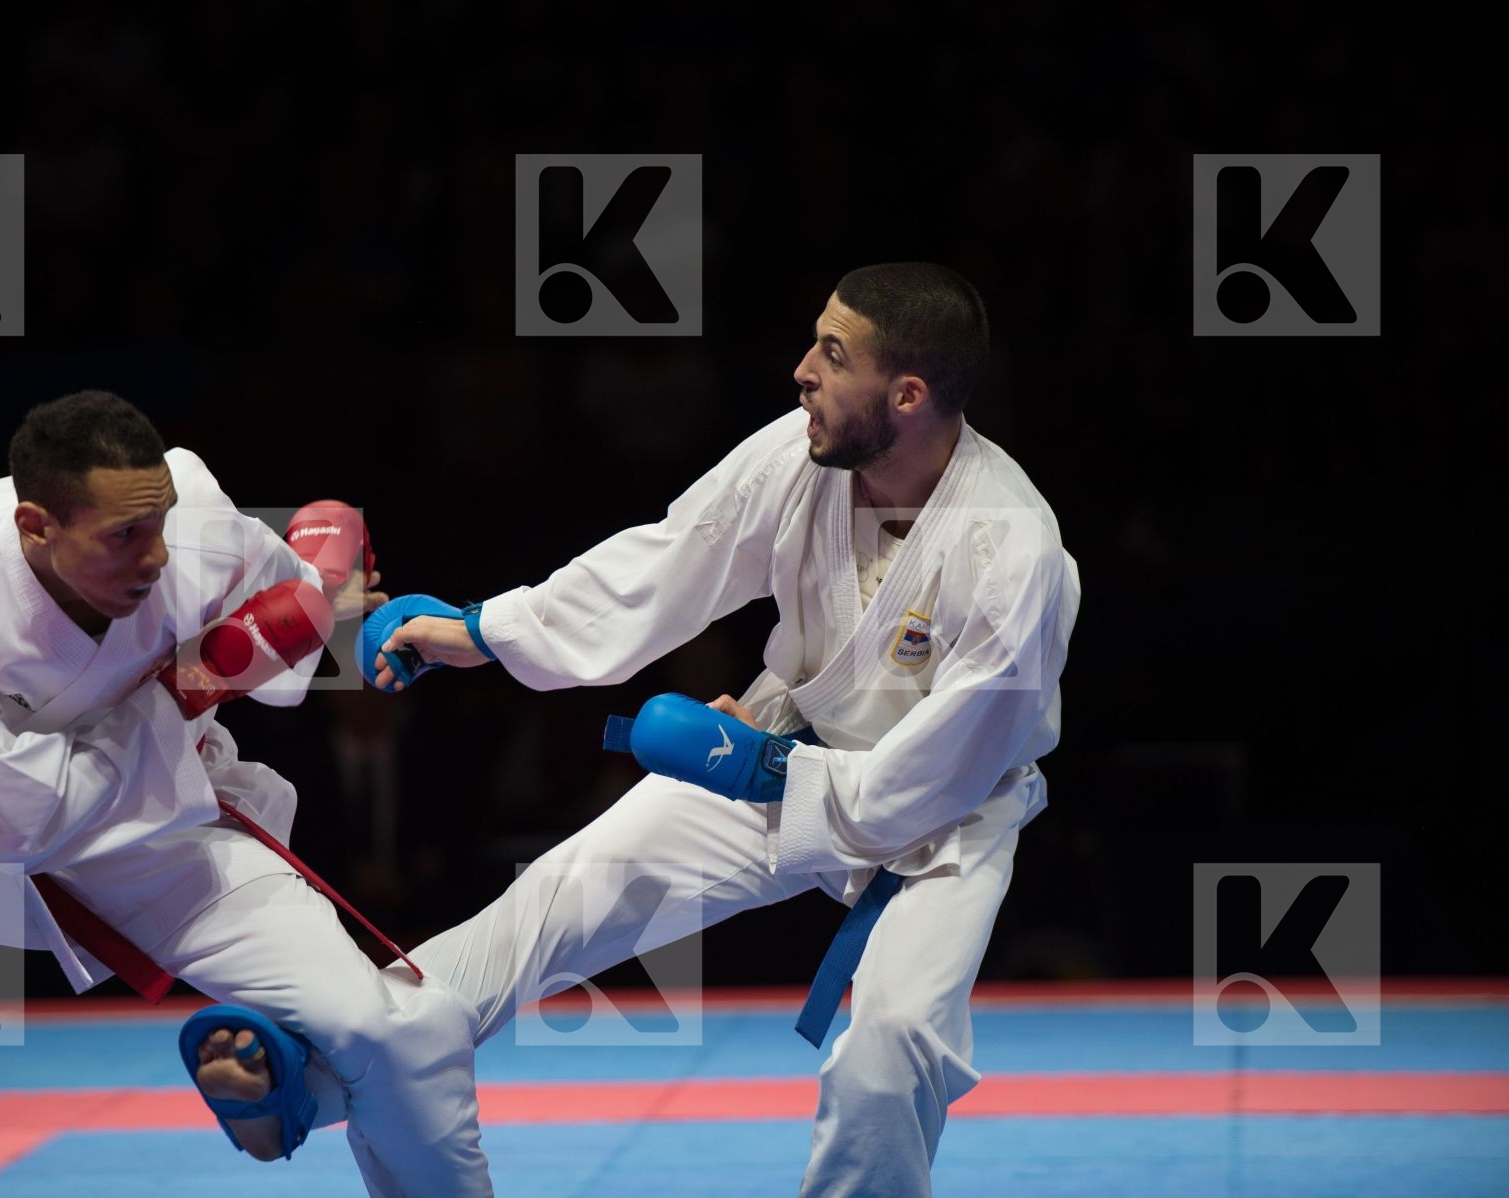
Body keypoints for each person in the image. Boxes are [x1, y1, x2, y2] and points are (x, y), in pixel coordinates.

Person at [366, 262, 1082, 1196]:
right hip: (785, 746)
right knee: (563, 894)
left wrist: (773, 771)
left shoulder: (1015, 550)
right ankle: (331, 1045)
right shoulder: (799, 455)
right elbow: (671, 560)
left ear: (908, 394)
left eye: (833, 353)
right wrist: (484, 632)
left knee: (893, 1045)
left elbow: (947, 766)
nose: (802, 372)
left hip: (945, 818)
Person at [0, 391, 494, 1197]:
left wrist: (333, 587)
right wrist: (187, 688)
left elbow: (299, 602)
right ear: (35, 527)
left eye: (158, 522)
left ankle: (288, 1083)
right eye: (123, 536)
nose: (155, 555)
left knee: (377, 1024)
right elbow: (18, 822)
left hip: (168, 815)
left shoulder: (194, 516)